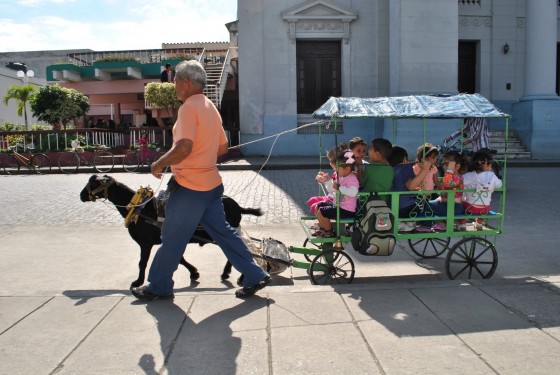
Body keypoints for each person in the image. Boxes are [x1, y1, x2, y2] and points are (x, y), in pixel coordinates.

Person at [131, 60, 270, 301]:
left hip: (190, 187)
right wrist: (201, 155)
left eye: (175, 81)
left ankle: (159, 286)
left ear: (186, 82)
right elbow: (222, 148)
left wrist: (159, 163)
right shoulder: (209, 107)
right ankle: (255, 274)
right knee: (224, 233)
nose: (173, 85)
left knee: (173, 237)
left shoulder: (187, 108)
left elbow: (184, 146)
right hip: (211, 185)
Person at [312, 149, 359, 238]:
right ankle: (323, 229)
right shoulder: (340, 177)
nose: (335, 172)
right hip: (338, 206)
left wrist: (340, 188)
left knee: (323, 211)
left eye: (337, 169)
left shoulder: (352, 178)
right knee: (318, 206)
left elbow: (354, 192)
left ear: (347, 169)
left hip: (347, 210)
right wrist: (328, 181)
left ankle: (329, 232)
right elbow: (332, 190)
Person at [389, 146, 433, 232]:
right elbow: (411, 186)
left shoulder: (391, 169)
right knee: (426, 204)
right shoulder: (405, 167)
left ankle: (402, 223)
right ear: (405, 159)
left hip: (391, 206)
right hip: (406, 209)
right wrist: (425, 169)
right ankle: (423, 225)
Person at [428, 151, 469, 231]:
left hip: (453, 207)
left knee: (424, 206)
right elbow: (444, 189)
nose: (444, 167)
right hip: (447, 205)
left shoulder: (457, 177)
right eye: (444, 164)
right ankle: (439, 222)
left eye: (447, 164)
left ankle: (436, 223)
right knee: (425, 203)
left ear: (457, 166)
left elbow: (446, 183)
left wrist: (449, 170)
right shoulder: (450, 177)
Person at [462, 150, 503, 230]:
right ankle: (479, 223)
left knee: (459, 202)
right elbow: (499, 185)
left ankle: (462, 223)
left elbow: (459, 184)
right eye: (490, 165)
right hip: (485, 209)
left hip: (469, 208)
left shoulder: (468, 176)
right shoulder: (492, 176)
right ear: (486, 164)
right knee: (483, 203)